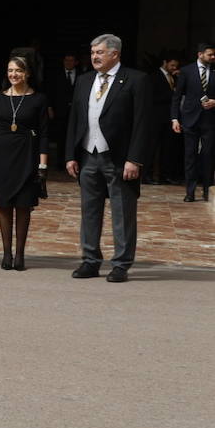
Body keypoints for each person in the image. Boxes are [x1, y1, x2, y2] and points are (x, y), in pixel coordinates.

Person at [65, 33, 151, 283]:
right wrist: (71, 154)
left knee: (122, 213)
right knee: (89, 212)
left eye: (100, 52)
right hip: (89, 155)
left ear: (115, 54)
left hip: (120, 158)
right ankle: (90, 260)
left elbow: (143, 123)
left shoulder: (136, 80)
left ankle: (121, 264)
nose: (94, 57)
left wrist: (134, 159)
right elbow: (75, 119)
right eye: (92, 53)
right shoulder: (84, 80)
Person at [0, 55, 49, 271]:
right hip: (1, 156)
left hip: (27, 155)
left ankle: (20, 254)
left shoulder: (39, 99)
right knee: (4, 204)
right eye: (10, 70)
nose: (14, 74)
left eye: (18, 71)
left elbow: (44, 135)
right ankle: (6, 253)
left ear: (27, 73)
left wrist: (43, 165)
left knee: (23, 205)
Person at [170, 43, 215, 203]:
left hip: (210, 121)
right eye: (210, 54)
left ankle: (206, 190)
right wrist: (175, 118)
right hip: (190, 120)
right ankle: (190, 192)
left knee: (208, 155)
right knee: (190, 156)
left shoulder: (214, 70)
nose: (213, 57)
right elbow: (177, 96)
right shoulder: (187, 71)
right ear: (200, 54)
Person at [46, 51, 85, 172]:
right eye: (66, 60)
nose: (68, 63)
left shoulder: (82, 75)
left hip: (77, 112)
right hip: (60, 111)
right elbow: (50, 92)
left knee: (76, 136)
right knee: (61, 137)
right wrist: (50, 108)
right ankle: (60, 163)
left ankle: (76, 161)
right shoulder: (56, 75)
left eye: (71, 60)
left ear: (76, 62)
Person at [147, 55, 180, 185]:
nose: (174, 68)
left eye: (176, 66)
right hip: (156, 118)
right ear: (165, 62)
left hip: (169, 118)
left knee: (167, 148)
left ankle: (164, 175)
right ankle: (147, 175)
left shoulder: (174, 77)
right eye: (172, 65)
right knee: (152, 147)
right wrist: (173, 93)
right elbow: (151, 97)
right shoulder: (153, 77)